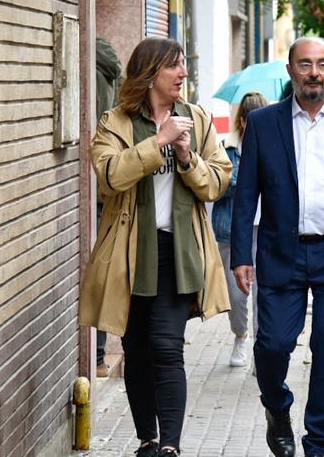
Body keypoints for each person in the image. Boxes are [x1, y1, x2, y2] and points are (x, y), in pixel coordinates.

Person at [78, 37, 233, 457]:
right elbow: (109, 177)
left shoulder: (196, 119)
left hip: (177, 254)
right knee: (136, 349)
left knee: (166, 346)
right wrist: (157, 142)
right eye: (174, 67)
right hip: (129, 255)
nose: (183, 73)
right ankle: (146, 438)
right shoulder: (117, 123)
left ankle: (170, 447)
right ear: (149, 75)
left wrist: (186, 159)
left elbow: (218, 182)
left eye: (183, 66)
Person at [230, 37, 324, 457]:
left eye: (323, 64)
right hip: (281, 251)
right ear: (291, 70)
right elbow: (246, 194)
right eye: (306, 64)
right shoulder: (264, 123)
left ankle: (318, 444)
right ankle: (276, 407)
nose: (315, 72)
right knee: (273, 345)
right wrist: (241, 255)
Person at [211, 92, 269, 367]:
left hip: (266, 230)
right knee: (236, 294)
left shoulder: (274, 145)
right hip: (233, 231)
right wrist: (244, 178)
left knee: (262, 292)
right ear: (243, 121)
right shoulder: (227, 148)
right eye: (250, 120)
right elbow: (217, 187)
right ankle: (240, 335)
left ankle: (260, 347)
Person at [94, 37, 123, 378]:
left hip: (97, 189)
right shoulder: (113, 75)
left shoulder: (90, 66)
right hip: (110, 194)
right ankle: (102, 356)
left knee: (102, 275)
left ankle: (99, 356)